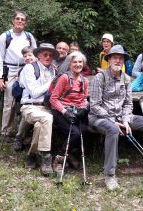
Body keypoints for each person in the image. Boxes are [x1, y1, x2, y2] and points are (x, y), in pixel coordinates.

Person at [89, 45, 143, 191]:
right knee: (113, 130)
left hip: (122, 116)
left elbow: (128, 102)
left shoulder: (126, 79)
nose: (118, 60)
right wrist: (114, 121)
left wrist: (125, 120)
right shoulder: (99, 78)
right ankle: (110, 174)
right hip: (100, 118)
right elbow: (94, 106)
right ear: (109, 59)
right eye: (115, 57)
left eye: (121, 58)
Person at [0, 10, 37, 139]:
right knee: (10, 102)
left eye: (22, 19)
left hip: (27, 69)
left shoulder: (29, 37)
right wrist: (0, 77)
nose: (20, 21)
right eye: (17, 19)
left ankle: (25, 132)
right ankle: (6, 131)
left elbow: (35, 55)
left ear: (26, 23)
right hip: (11, 71)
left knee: (29, 100)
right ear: (13, 20)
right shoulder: (5, 36)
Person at [19, 43, 58, 175]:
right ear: (38, 55)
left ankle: (31, 155)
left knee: (39, 126)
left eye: (50, 55)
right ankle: (46, 157)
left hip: (45, 107)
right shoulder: (30, 68)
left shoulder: (53, 70)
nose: (48, 57)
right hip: (29, 106)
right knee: (48, 118)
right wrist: (52, 82)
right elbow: (34, 92)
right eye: (45, 54)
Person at [50, 51, 90, 175]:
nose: (78, 64)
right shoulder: (64, 78)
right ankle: (59, 159)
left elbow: (84, 98)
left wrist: (84, 108)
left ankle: (70, 154)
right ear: (70, 64)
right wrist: (64, 111)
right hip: (61, 110)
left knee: (84, 131)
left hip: (77, 111)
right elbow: (53, 98)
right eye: (75, 62)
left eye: (80, 62)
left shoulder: (85, 80)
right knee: (75, 133)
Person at [14, 46, 36, 151]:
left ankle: (29, 137)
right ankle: (19, 137)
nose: (27, 58)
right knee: (25, 118)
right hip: (27, 99)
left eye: (30, 55)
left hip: (39, 99)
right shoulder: (24, 69)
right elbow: (22, 84)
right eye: (25, 56)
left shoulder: (40, 67)